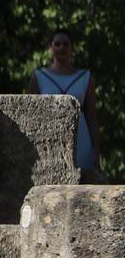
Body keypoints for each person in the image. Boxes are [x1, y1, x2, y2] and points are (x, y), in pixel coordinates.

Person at [29, 27, 100, 178]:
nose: (61, 47)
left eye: (66, 44)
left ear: (72, 48)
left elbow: (92, 116)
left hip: (81, 140)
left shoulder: (85, 77)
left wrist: (96, 149)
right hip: (48, 140)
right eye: (57, 44)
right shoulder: (39, 76)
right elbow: (32, 117)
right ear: (51, 48)